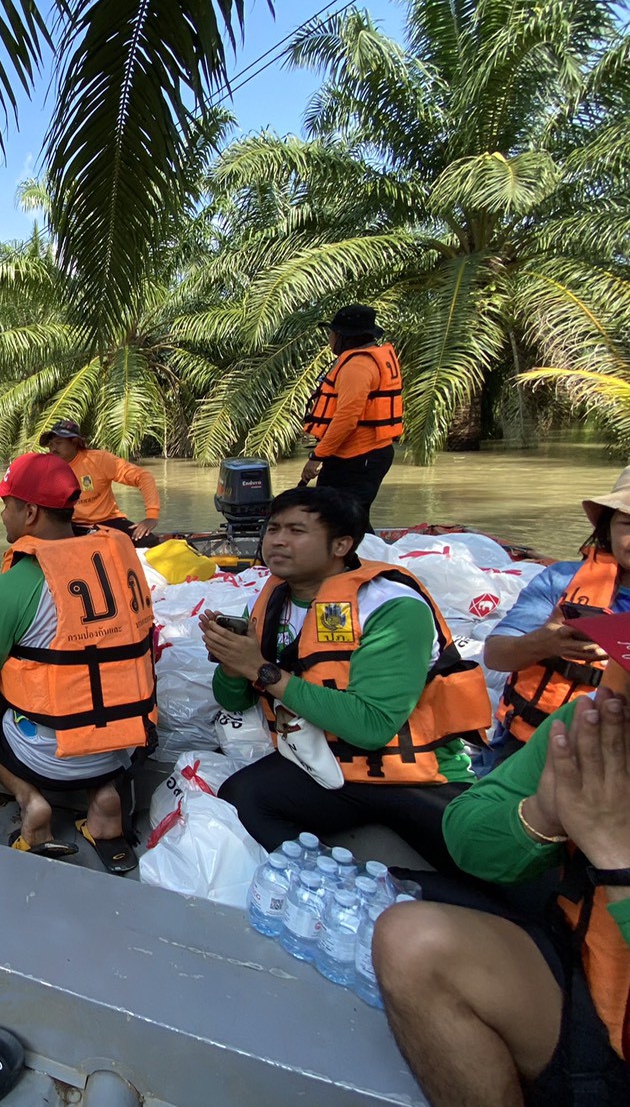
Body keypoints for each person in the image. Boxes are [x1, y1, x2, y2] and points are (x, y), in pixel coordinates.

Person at [200, 486, 491, 869]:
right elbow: (234, 700)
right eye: (273, 529)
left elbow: (372, 727)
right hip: (321, 765)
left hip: (415, 776)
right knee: (242, 797)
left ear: (341, 545)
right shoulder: (270, 601)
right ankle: (329, 881)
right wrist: (231, 662)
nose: (278, 541)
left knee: (498, 871)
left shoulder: (392, 608)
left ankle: (409, 889)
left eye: (297, 531)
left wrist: (260, 669)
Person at [373, 690, 630, 1106]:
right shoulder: (593, 720)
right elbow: (466, 832)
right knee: (410, 937)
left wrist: (616, 860)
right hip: (587, 981)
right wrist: (541, 814)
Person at [0, 452, 156, 873]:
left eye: (5, 505)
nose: (2, 515)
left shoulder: (13, 586)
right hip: (126, 745)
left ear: (29, 513)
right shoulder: (116, 553)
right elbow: (71, 612)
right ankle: (104, 798)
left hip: (48, 757)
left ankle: (31, 802)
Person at [482, 467, 630, 767]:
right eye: (628, 524)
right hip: (532, 749)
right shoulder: (560, 580)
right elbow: (495, 655)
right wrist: (545, 642)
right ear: (608, 529)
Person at [299, 304, 404, 532]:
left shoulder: (357, 366)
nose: (329, 339)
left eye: (331, 333)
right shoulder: (366, 359)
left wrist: (317, 456)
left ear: (344, 337)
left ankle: (363, 553)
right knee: (346, 518)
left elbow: (347, 418)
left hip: (359, 458)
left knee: (341, 519)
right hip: (361, 455)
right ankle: (363, 551)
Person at [39, 418, 161, 542]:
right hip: (71, 526)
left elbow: (144, 477)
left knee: (149, 541)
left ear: (75, 442)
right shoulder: (46, 469)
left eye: (58, 443)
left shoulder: (99, 460)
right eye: (50, 444)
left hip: (109, 522)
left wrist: (152, 516)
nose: (53, 449)